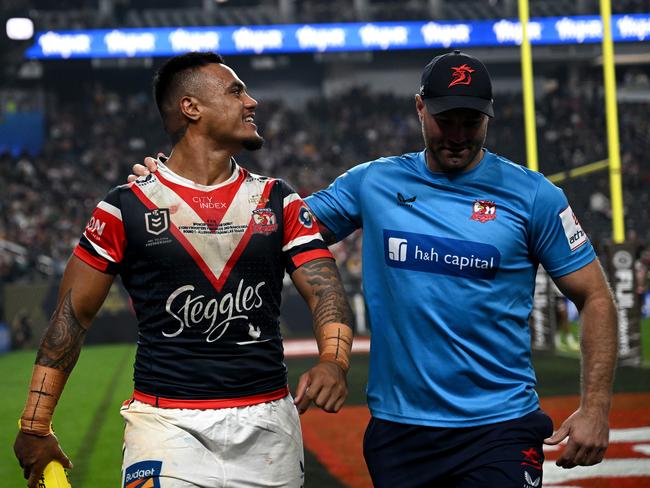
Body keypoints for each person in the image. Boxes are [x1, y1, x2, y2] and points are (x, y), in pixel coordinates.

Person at [132, 50, 618, 487]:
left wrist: (595, 407)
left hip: (499, 427)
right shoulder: (373, 182)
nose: (458, 135)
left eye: (472, 121)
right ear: (420, 108)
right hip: (399, 431)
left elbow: (595, 296)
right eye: (447, 119)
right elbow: (270, 226)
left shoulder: (533, 196)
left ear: (489, 118)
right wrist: (179, 187)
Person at [14, 52, 354, 488]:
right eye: (236, 91)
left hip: (269, 425)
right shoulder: (125, 206)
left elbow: (325, 289)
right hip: (165, 425)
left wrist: (335, 361)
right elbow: (71, 316)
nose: (252, 102)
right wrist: (35, 424)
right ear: (191, 108)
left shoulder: (278, 199)